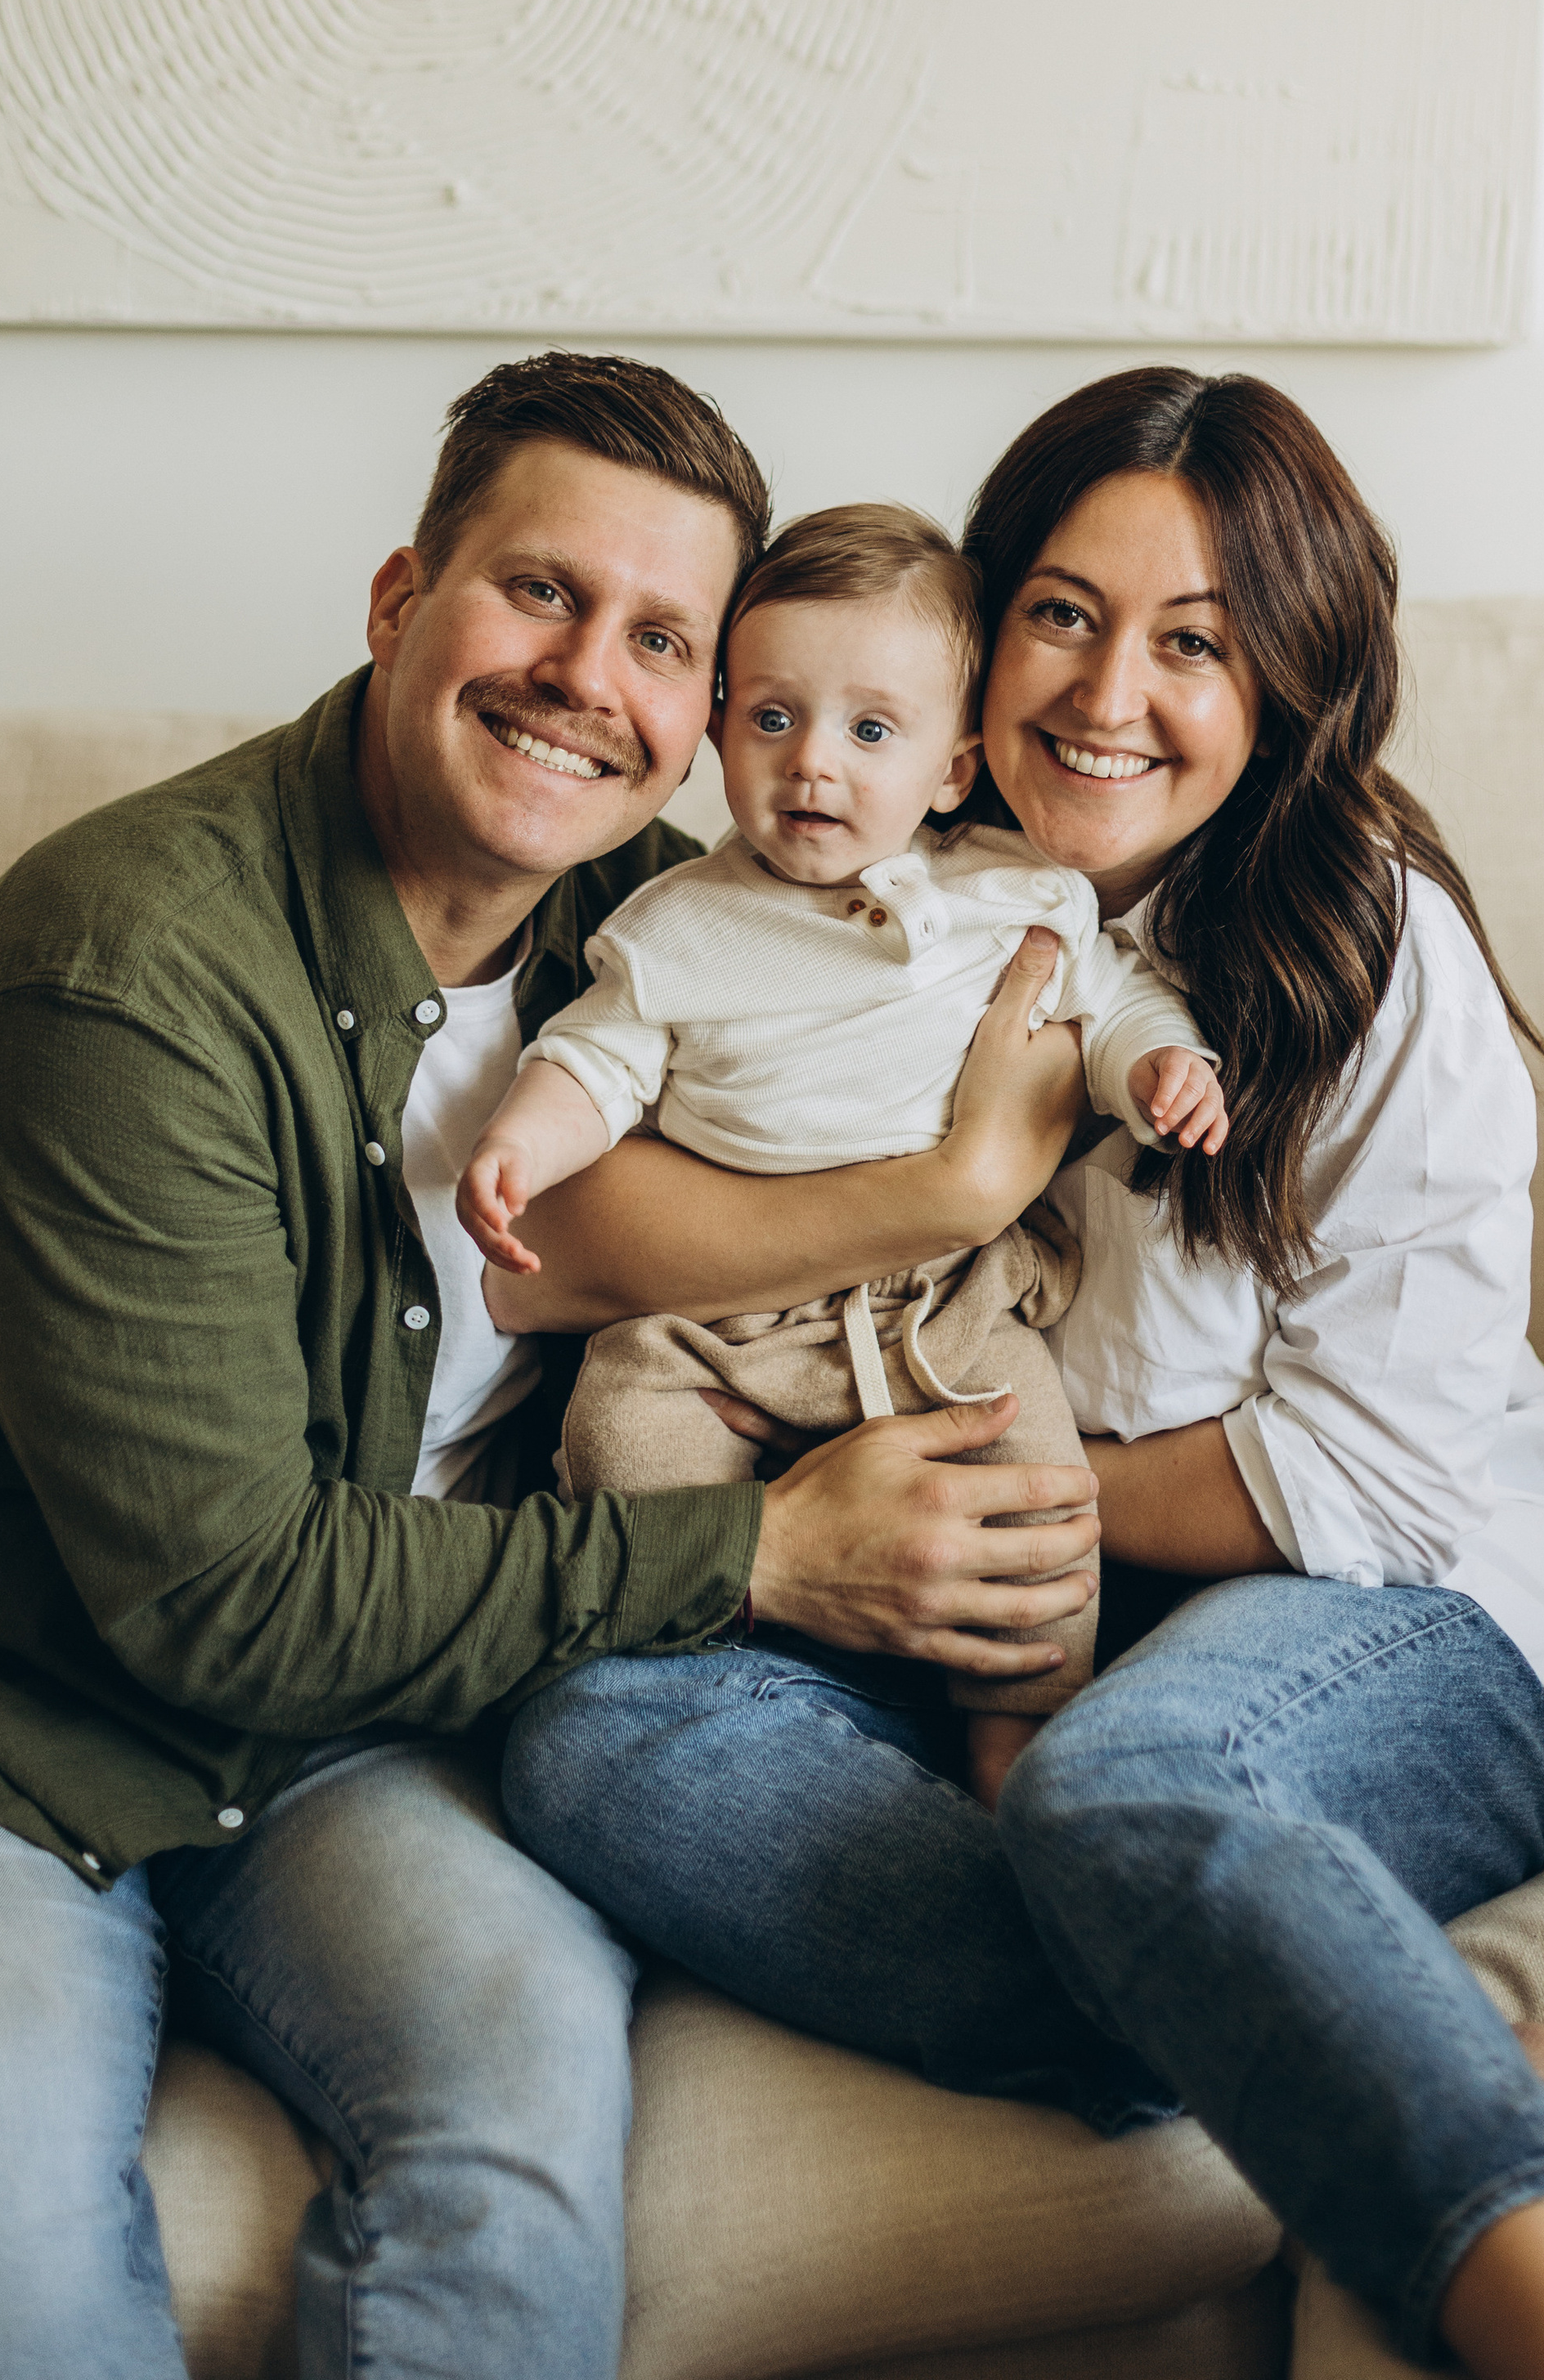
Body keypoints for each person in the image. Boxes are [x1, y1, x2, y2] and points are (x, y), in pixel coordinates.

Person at [0, 352, 1102, 2380]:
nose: (587, 677)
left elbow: (785, 1174)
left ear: (706, 705)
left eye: (660, 639)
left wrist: (958, 1186)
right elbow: (231, 1598)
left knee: (523, 2127)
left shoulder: (659, 929)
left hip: (360, 1740)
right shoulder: (116, 989)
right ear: (402, 599)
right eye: (540, 592)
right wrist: (758, 1550)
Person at [496, 366, 1544, 2380]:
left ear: (1285, 681)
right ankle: (1358, 2016)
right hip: (995, 1593)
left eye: (1193, 642)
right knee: (592, 1740)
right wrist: (929, 1230)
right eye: (1061, 614)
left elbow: (1378, 1480)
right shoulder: (853, 863)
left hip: (1401, 1601)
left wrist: (948, 1509)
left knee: (1121, 1786)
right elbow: (569, 1244)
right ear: (978, 643)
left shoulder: (1364, 943)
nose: (1108, 693)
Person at [460, 501, 1227, 1764]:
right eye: (774, 718)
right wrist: (520, 1148)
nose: (813, 762)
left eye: (871, 731)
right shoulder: (675, 926)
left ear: (953, 769)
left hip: (949, 1306)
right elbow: (596, 1058)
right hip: (718, 1320)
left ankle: (1013, 1744)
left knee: (1040, 1505)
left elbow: (1110, 999)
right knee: (619, 1431)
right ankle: (705, 1674)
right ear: (719, 730)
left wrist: (1161, 1065)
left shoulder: (1014, 894)